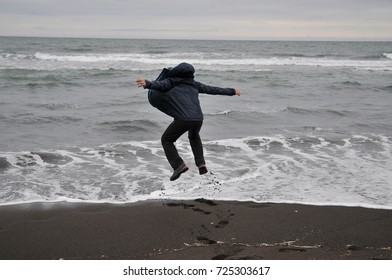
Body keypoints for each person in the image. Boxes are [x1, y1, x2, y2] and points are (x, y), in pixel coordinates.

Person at [136, 62, 240, 181]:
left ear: (176, 72)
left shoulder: (171, 82)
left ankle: (178, 165)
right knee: (194, 136)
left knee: (166, 140)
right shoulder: (194, 84)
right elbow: (212, 89)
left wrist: (147, 84)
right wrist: (232, 91)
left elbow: (160, 85)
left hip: (183, 120)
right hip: (198, 119)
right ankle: (201, 165)